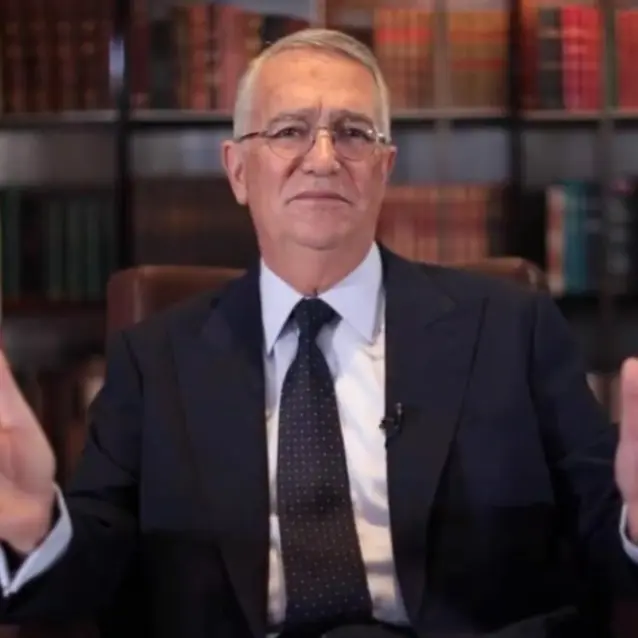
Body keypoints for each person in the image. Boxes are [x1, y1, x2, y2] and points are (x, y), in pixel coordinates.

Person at [1, 28, 638, 638]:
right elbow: (94, 566)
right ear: (238, 171)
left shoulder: (512, 329)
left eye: (354, 133)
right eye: (290, 131)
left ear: (385, 167)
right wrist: (34, 532)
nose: (325, 159)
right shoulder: (155, 360)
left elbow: (603, 521)